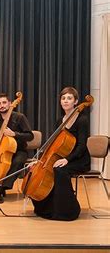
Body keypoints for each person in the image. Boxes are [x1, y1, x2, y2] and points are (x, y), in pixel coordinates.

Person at [32, 87, 90, 221]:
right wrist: (40, 160)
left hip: (79, 158)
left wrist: (67, 160)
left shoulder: (82, 119)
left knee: (59, 170)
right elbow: (54, 145)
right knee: (47, 170)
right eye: (63, 98)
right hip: (63, 157)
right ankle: (47, 208)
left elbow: (81, 146)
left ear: (76, 102)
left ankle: (68, 211)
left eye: (69, 98)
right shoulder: (60, 120)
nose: (65, 101)